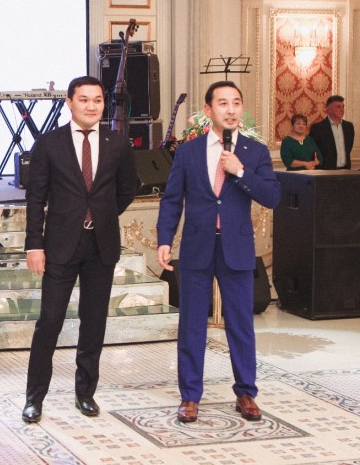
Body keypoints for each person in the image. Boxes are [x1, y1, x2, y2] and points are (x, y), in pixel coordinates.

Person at [156, 81, 280, 423]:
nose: (231, 109)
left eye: (236, 103)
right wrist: (165, 238)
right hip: (197, 246)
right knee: (191, 324)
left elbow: (272, 197)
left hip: (236, 248)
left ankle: (246, 393)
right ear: (209, 110)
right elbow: (172, 199)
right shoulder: (188, 152)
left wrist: (239, 171)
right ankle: (190, 396)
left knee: (241, 324)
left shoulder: (255, 152)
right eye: (223, 103)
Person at [21, 75, 138, 423]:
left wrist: (101, 216)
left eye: (97, 100)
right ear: (70, 103)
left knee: (94, 321)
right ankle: (34, 398)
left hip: (101, 244)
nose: (91, 106)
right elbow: (35, 198)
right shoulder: (49, 143)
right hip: (60, 244)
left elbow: (127, 189)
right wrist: (34, 245)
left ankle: (85, 393)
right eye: (84, 100)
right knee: (50, 321)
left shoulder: (117, 143)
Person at [309, 95, 355, 170]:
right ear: (329, 109)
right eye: (338, 107)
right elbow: (313, 150)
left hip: (345, 170)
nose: (342, 109)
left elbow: (348, 147)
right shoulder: (317, 128)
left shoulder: (349, 127)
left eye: (343, 107)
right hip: (325, 170)